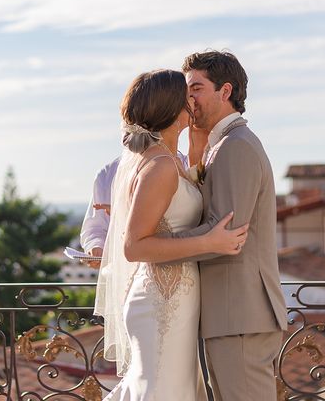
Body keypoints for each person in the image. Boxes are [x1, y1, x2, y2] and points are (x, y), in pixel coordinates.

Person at [94, 69, 248, 400]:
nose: (193, 101)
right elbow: (134, 246)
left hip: (173, 296)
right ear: (172, 108)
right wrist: (209, 242)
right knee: (162, 390)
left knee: (167, 388)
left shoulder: (167, 159)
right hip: (163, 299)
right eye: (186, 96)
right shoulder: (160, 166)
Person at [177, 50, 287, 401]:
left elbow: (223, 235)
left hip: (239, 314)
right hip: (230, 314)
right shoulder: (221, 146)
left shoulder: (235, 147)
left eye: (196, 87)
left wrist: (154, 245)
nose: (188, 97)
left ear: (225, 91)